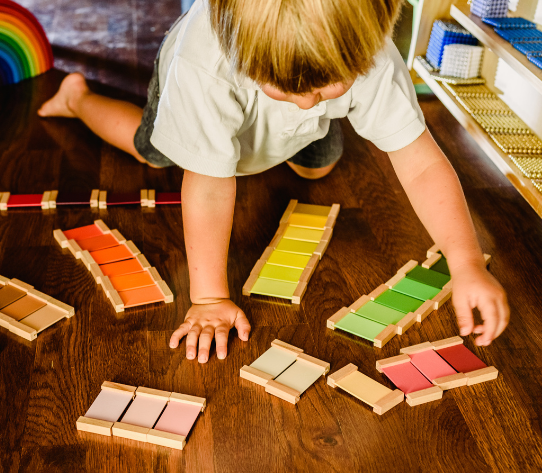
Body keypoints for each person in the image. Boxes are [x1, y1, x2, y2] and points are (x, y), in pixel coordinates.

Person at [36, 0, 507, 362]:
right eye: (287, 90)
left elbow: (421, 162)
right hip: (201, 96)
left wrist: (464, 260)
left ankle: (291, 126)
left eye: (324, 88)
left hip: (276, 118)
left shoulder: (371, 53)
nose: (305, 104)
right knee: (153, 153)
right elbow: (207, 186)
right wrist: (210, 298)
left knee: (319, 165)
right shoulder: (203, 65)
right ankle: (77, 99)